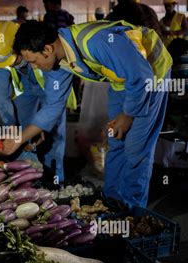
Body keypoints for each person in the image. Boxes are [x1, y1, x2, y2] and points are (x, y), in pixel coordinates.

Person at [13, 20, 172, 209]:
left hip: (151, 76)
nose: (34, 67)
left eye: (32, 61)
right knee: (116, 142)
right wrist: (19, 139)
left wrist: (128, 115)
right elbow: (53, 106)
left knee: (136, 150)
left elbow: (141, 76)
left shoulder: (96, 41)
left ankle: (133, 214)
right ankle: (111, 204)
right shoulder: (58, 60)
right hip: (122, 82)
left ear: (47, 49)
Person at [0, 21, 76, 181]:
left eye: (14, 60)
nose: (11, 65)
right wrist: (11, 126)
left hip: (50, 89)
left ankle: (54, 181)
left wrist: (41, 125)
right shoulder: (2, 56)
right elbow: (1, 93)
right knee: (21, 131)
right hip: (27, 90)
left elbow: (52, 105)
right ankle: (25, 179)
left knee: (53, 133)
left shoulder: (43, 53)